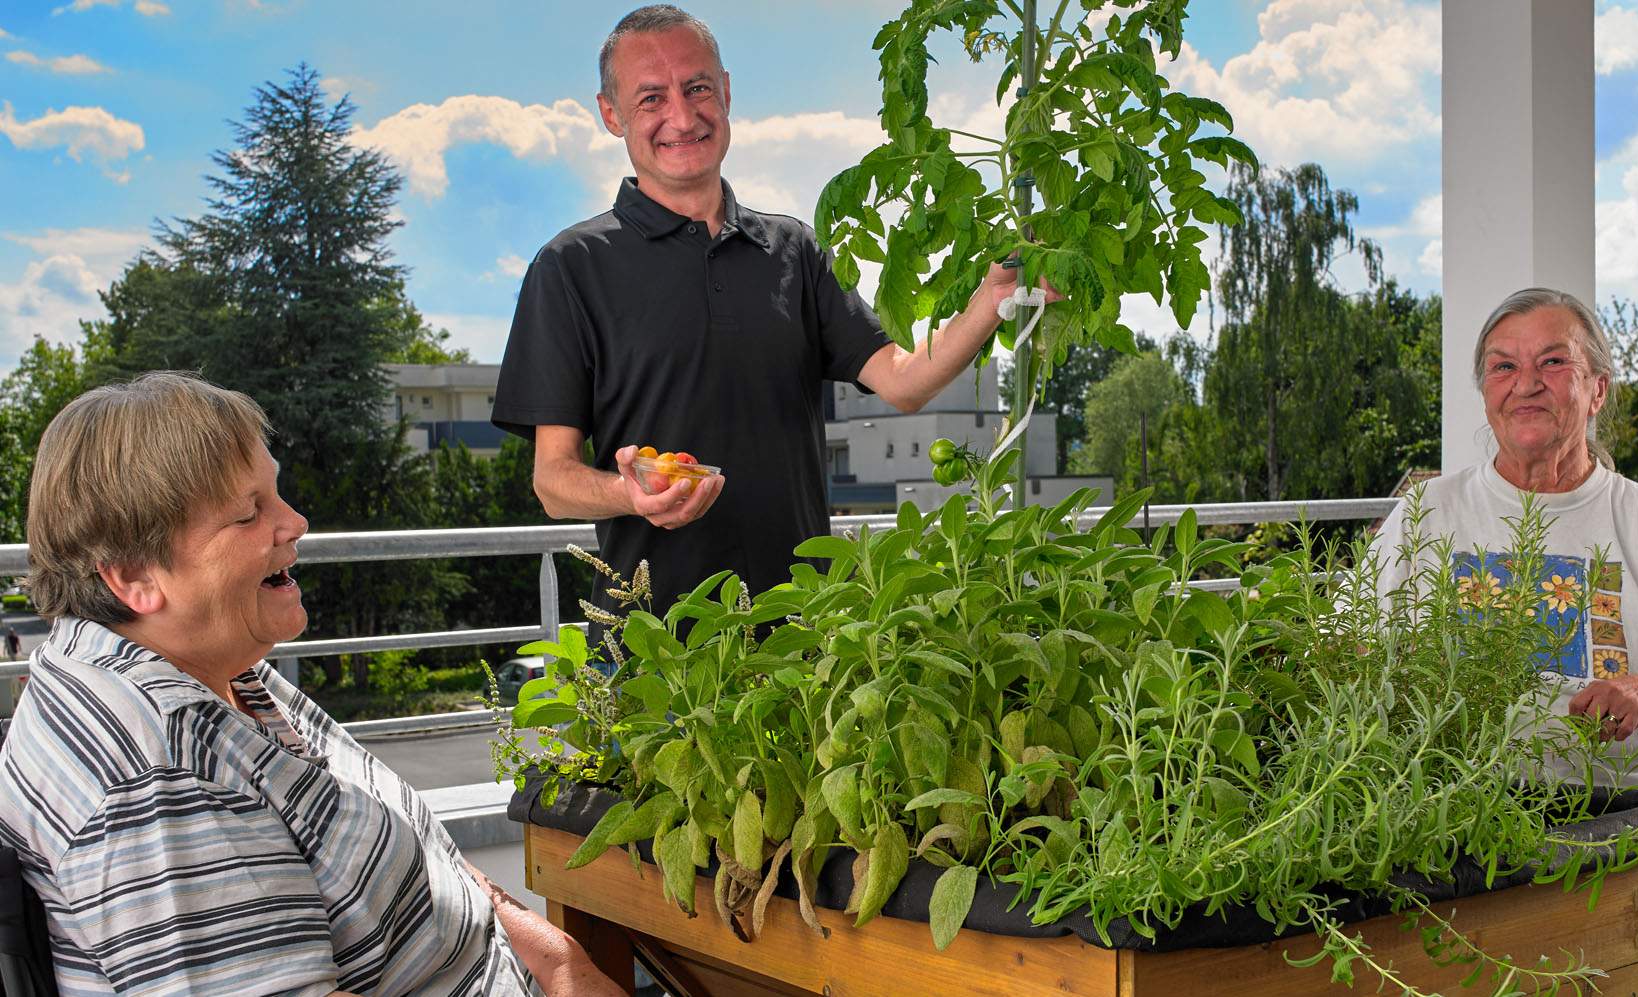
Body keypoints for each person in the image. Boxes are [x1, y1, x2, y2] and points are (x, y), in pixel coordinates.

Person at [0, 372, 621, 997]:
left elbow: (385, 850)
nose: (295, 521)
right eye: (248, 512)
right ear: (134, 575)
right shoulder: (158, 780)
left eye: (276, 494)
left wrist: (556, 955)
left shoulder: (206, 668)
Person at [491, 4, 1056, 616]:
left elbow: (903, 381)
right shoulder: (570, 267)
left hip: (806, 644)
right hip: (661, 664)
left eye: (697, 87)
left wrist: (991, 301)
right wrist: (631, 496)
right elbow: (553, 483)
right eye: (651, 98)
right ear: (611, 114)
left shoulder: (793, 249)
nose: (682, 116)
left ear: (727, 91)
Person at [1372, 287, 1638, 997]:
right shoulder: (1428, 513)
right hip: (1454, 803)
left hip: (1616, 809)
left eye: (1553, 361)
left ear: (1596, 390)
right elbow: (1346, 638)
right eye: (1502, 367)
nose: (1525, 382)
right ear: (1486, 394)